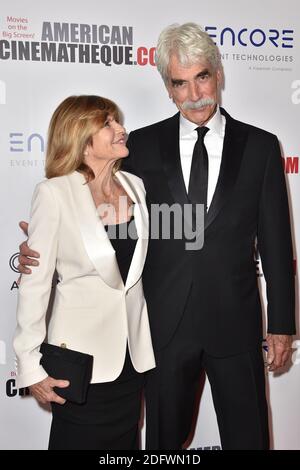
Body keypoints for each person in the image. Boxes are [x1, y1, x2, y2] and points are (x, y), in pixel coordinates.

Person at [18, 23, 295, 450]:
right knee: (162, 447)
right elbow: (99, 211)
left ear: (219, 74)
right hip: (159, 329)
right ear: (167, 87)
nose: (193, 93)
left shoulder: (260, 146)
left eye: (202, 76)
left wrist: (281, 325)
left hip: (236, 326)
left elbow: (277, 243)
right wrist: (41, 244)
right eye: (179, 83)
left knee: (250, 439)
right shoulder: (139, 147)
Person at [14, 95, 155, 450]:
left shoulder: (135, 186)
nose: (121, 129)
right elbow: (35, 285)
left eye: (117, 121)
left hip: (131, 359)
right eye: (107, 123)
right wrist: (29, 364)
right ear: (81, 138)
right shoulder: (54, 194)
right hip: (79, 363)